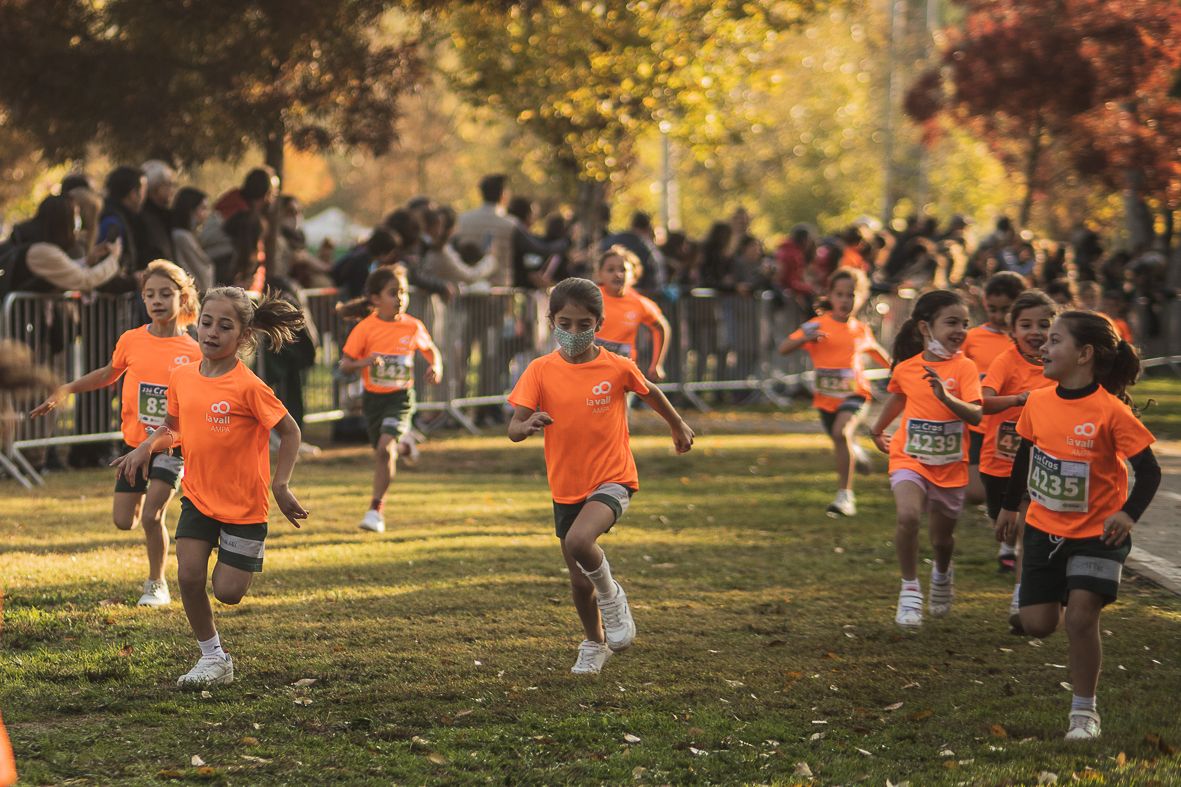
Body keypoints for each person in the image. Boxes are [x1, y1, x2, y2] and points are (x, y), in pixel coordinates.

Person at [112, 287, 308, 689]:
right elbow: (173, 427)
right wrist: (146, 447)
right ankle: (213, 657)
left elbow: (290, 431)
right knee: (187, 576)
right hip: (198, 497)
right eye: (206, 322)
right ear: (197, 323)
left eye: (225, 326)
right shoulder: (182, 375)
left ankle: (234, 572)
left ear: (244, 336)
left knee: (228, 592)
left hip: (244, 505)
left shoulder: (249, 387)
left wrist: (282, 484)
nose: (212, 332)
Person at [508, 278, 695, 675]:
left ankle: (613, 597)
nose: (574, 332)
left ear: (600, 324)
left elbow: (651, 392)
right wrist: (527, 427)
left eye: (583, 324)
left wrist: (677, 425)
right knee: (578, 582)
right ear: (551, 321)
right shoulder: (540, 370)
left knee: (580, 540)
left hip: (613, 477)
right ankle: (595, 644)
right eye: (565, 323)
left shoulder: (616, 365)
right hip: (566, 486)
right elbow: (513, 426)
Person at [994, 311, 1159, 740]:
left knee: (1081, 620)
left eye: (1054, 341)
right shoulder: (1038, 401)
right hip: (1045, 532)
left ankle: (1084, 713)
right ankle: (1070, 585)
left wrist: (1127, 514)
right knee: (1037, 624)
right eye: (1044, 341)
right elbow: (1025, 456)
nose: (1043, 348)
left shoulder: (1110, 411)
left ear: (1084, 354)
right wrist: (1010, 508)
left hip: (1098, 534)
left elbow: (1150, 471)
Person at [31, 261, 201, 605]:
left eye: (165, 294)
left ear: (182, 298)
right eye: (150, 294)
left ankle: (157, 584)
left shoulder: (194, 351)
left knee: (153, 515)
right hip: (133, 444)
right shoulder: (132, 340)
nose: (156, 301)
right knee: (125, 521)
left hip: (171, 446)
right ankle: (155, 558)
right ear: (142, 298)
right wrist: (66, 388)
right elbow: (109, 373)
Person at [869, 289, 983, 629]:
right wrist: (877, 430)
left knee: (942, 540)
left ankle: (943, 572)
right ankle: (909, 589)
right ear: (925, 328)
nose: (960, 330)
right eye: (951, 322)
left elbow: (976, 415)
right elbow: (898, 398)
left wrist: (946, 397)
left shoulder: (965, 368)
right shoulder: (907, 368)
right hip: (910, 456)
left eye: (965, 323)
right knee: (907, 517)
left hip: (949, 464)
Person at [339, 265, 442, 534]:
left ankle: (375, 510)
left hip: (401, 397)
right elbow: (345, 365)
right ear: (375, 299)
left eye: (404, 292)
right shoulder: (365, 328)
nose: (400, 298)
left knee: (385, 449)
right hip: (373, 400)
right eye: (393, 293)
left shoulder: (412, 325)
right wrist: (365, 361)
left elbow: (430, 350)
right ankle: (407, 447)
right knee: (385, 450)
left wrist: (436, 366)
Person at [779, 267, 890, 517]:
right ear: (830, 295)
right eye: (839, 294)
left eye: (851, 295)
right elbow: (784, 348)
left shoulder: (860, 330)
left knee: (841, 432)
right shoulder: (816, 324)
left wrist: (903, 372)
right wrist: (805, 339)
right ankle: (855, 449)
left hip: (856, 394)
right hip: (826, 398)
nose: (845, 300)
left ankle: (845, 497)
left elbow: (883, 358)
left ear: (860, 298)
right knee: (840, 437)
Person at [978, 290, 1057, 626]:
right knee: (1004, 522)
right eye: (1026, 324)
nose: (1035, 331)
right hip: (998, 461)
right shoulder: (1007, 360)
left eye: (1044, 324)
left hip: (1039, 461)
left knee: (1028, 529)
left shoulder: (1058, 363)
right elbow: (984, 400)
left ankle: (1021, 597)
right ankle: (1007, 547)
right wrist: (1023, 399)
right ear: (1013, 331)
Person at [962, 271, 1024, 507]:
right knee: (976, 493)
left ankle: (1009, 530)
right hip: (978, 425)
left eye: (1006, 309)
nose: (999, 316)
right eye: (992, 308)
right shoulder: (972, 338)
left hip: (1014, 425)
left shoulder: (1026, 340)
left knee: (1014, 486)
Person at [7, 195, 122, 293]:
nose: (78, 221)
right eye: (75, 214)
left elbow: (64, 268)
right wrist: (113, 259)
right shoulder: (42, 251)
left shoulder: (39, 247)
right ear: (63, 220)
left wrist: (88, 260)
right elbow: (84, 279)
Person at [594, 246, 671, 381]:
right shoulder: (590, 296)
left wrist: (657, 364)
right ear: (600, 274)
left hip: (622, 371)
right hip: (591, 368)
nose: (617, 274)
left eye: (623, 269)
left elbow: (662, 327)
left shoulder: (639, 303)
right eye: (610, 270)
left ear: (634, 275)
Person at [98, 165, 147, 274]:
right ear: (133, 194)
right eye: (143, 191)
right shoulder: (112, 222)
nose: (144, 197)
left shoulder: (123, 217)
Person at [171, 187, 216, 293]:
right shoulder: (181, 236)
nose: (206, 213)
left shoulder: (188, 235)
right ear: (191, 210)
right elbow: (196, 268)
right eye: (203, 208)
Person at [140, 160, 177, 262]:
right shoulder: (145, 218)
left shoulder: (165, 216)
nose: (172, 189)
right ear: (154, 187)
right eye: (168, 184)